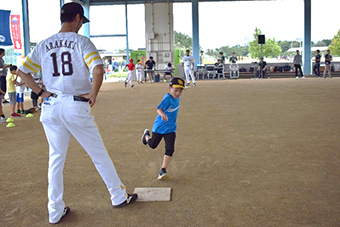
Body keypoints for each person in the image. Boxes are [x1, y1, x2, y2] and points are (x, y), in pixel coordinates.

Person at [16, 2, 137, 224]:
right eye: (82, 21)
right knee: (98, 154)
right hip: (75, 105)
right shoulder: (81, 41)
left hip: (51, 107)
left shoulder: (43, 44)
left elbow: (22, 72)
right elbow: (97, 68)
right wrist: (93, 94)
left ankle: (55, 211)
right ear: (78, 17)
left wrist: (41, 92)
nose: (82, 25)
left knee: (56, 160)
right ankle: (118, 196)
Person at [141, 77, 185, 180]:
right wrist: (162, 114)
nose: (178, 93)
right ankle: (146, 136)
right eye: (175, 90)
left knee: (170, 149)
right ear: (169, 88)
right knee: (152, 145)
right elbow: (159, 109)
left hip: (171, 129)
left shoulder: (176, 97)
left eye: (180, 90)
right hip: (160, 127)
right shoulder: (167, 98)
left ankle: (163, 170)